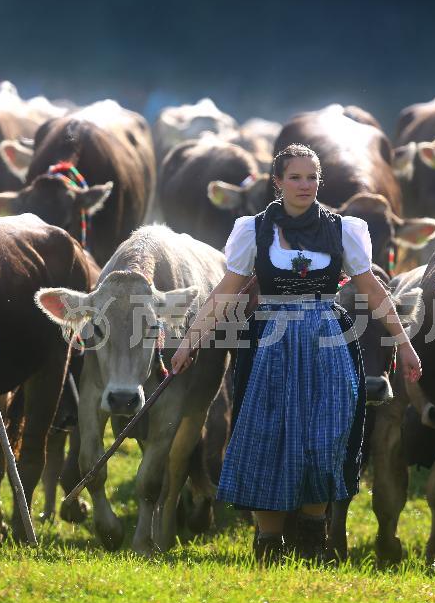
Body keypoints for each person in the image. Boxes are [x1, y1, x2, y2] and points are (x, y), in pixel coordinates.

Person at [171, 144, 422, 564]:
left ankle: (312, 539)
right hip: (270, 342)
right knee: (268, 436)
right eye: (296, 177)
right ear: (278, 182)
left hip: (327, 341)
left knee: (324, 439)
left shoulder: (345, 230)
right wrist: (189, 342)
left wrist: (404, 343)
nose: (305, 185)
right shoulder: (253, 229)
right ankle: (269, 544)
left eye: (312, 177)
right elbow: (224, 293)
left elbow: (373, 291)